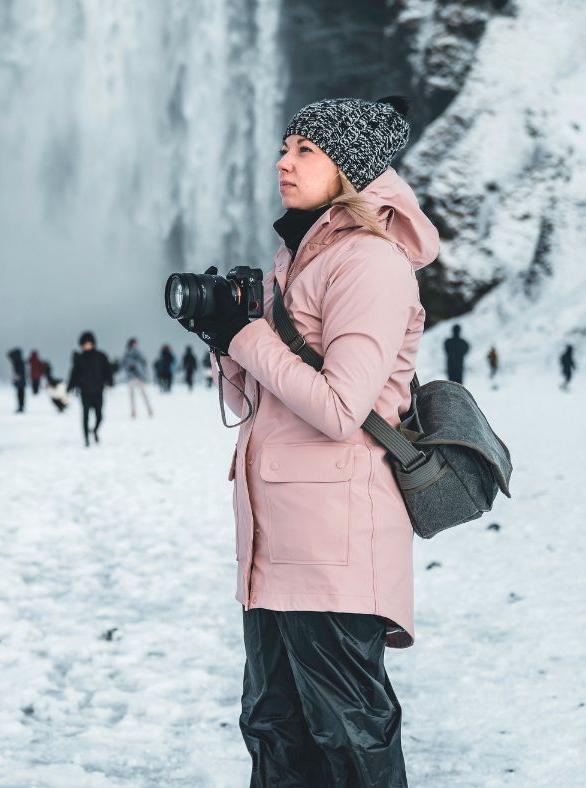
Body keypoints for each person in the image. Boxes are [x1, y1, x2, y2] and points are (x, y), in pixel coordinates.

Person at [180, 95, 437, 786]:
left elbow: (339, 406)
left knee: (348, 735)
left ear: (348, 170)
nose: (282, 162)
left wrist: (250, 337)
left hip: (334, 544)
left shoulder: (369, 264)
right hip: (273, 547)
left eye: (305, 151)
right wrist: (224, 344)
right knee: (273, 729)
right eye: (285, 146)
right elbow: (252, 402)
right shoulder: (295, 260)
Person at [67, 331, 113, 446]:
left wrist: (109, 382)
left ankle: (95, 430)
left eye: (89, 343)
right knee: (86, 415)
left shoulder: (101, 356)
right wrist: (70, 387)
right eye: (85, 343)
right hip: (85, 391)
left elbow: (107, 370)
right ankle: (86, 439)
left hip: (98, 391)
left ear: (93, 343)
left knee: (99, 416)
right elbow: (74, 374)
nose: (87, 345)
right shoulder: (79, 359)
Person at [122, 338, 153, 418]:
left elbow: (144, 362)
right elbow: (124, 364)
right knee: (134, 395)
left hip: (138, 376)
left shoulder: (134, 353)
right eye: (135, 343)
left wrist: (143, 373)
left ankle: (148, 410)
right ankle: (135, 411)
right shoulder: (128, 353)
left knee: (142, 394)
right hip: (133, 377)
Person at [6, 348, 26, 413]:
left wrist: (17, 377)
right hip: (20, 380)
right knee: (20, 394)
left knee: (20, 394)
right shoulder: (18, 361)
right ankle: (21, 406)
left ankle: (21, 406)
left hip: (20, 380)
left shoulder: (18, 362)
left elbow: (20, 372)